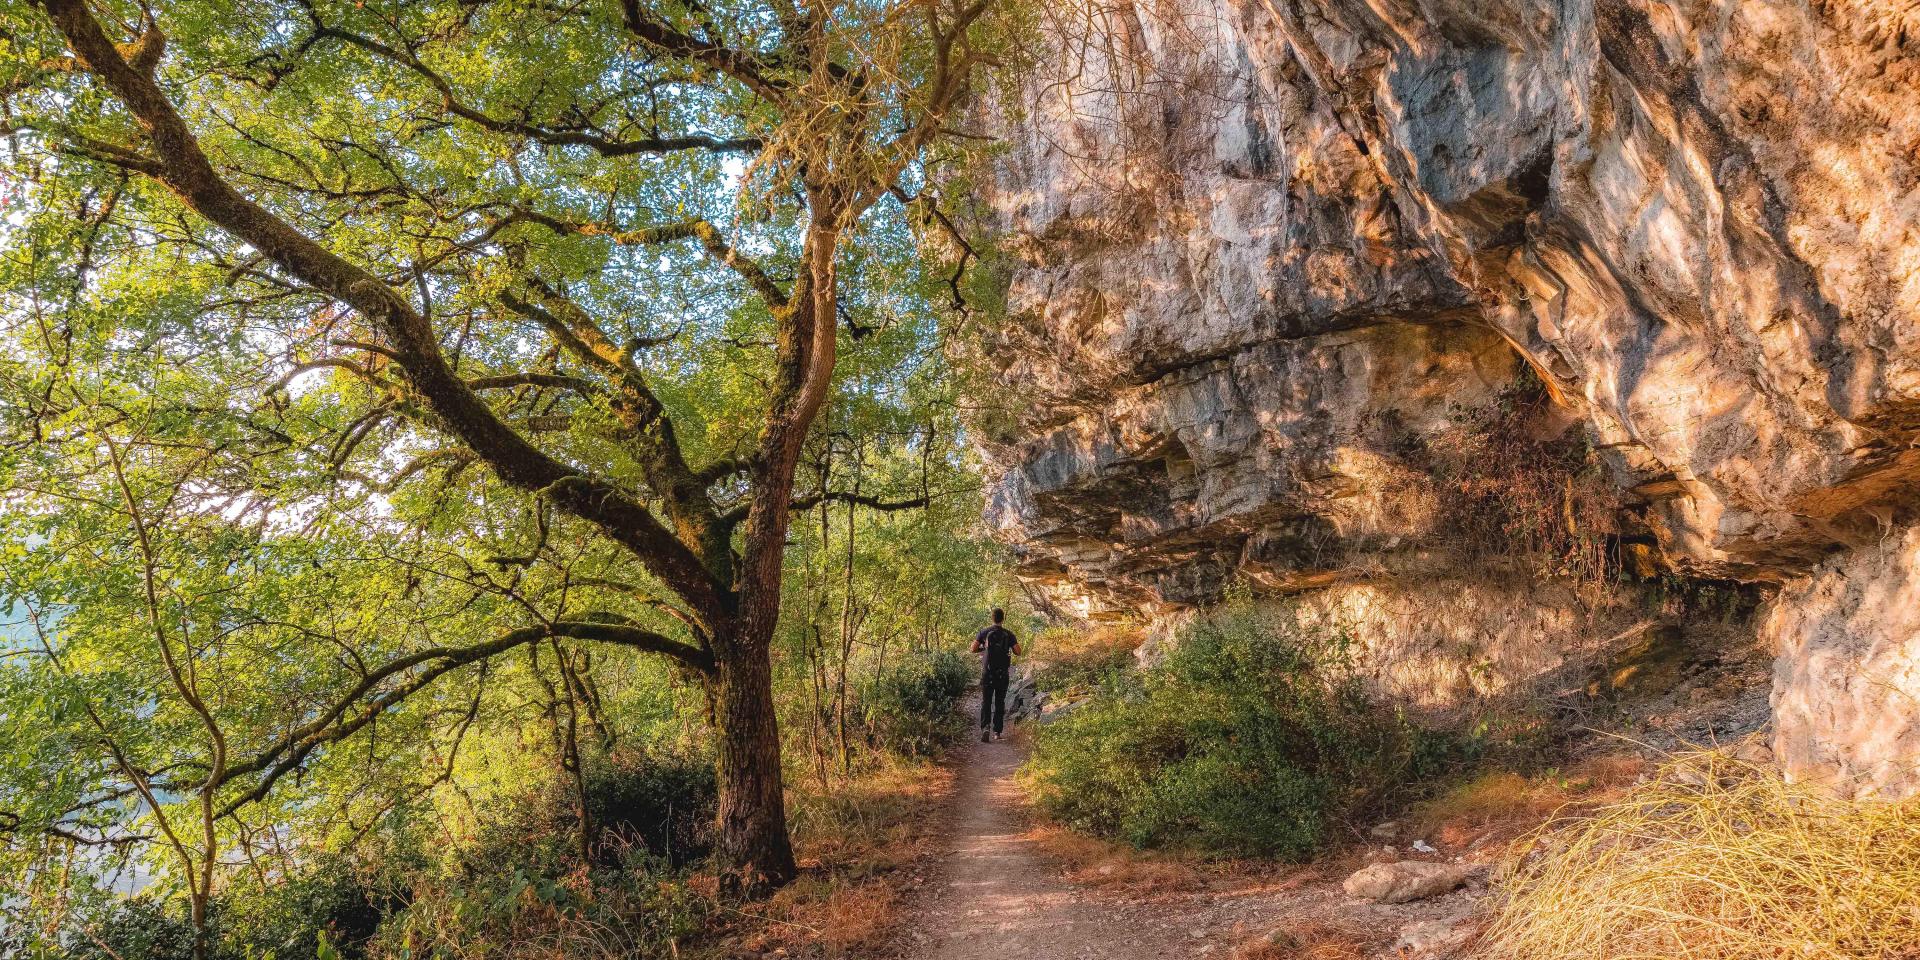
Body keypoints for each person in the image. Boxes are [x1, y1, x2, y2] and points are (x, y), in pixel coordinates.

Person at [971, 608, 1020, 742]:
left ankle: (985, 727)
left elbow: (973, 648)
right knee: (999, 702)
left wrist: (984, 648)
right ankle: (997, 732)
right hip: (1002, 674)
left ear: (992, 618)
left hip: (988, 672)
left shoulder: (984, 632)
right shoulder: (1009, 634)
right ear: (1003, 619)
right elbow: (1018, 651)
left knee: (986, 701)